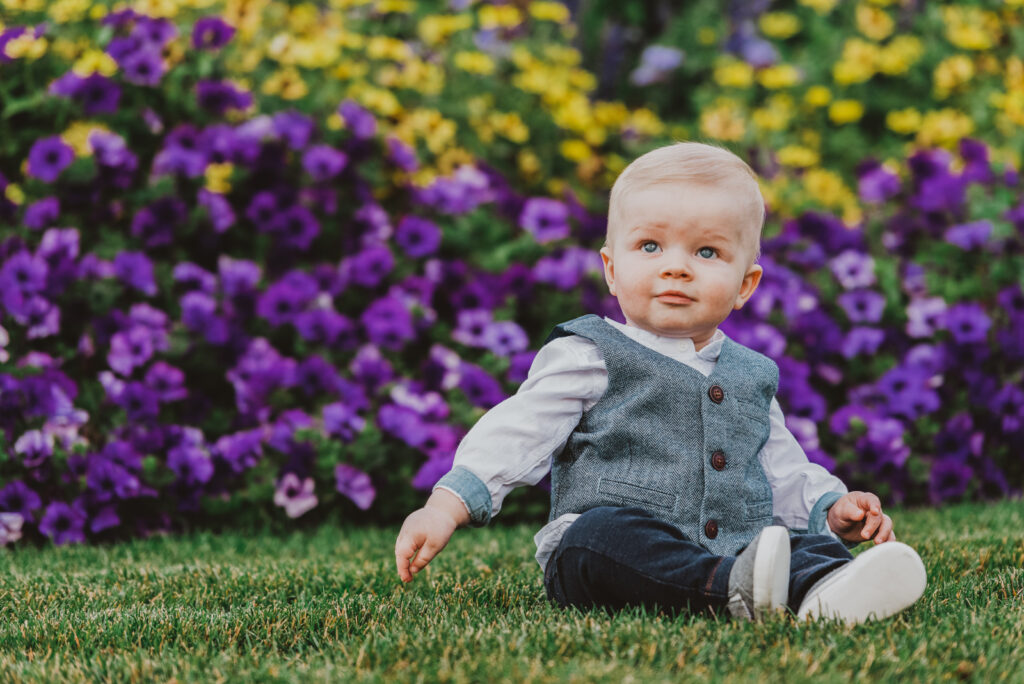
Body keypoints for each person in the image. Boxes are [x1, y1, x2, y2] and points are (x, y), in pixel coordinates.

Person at [394, 142, 927, 623]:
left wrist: (830, 509)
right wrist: (447, 505)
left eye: (706, 252)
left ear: (745, 284)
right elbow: (519, 431)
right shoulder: (590, 353)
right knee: (599, 537)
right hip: (607, 556)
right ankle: (733, 589)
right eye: (650, 246)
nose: (676, 268)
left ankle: (827, 588)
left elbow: (778, 469)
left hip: (735, 547)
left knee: (800, 545)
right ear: (610, 268)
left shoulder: (751, 375)